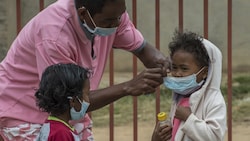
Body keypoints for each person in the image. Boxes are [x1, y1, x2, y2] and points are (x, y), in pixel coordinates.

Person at [0, 0, 170, 140]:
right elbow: (67, 99)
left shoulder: (112, 13)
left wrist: (167, 65)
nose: (117, 23)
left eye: (120, 16)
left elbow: (141, 48)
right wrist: (128, 87)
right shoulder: (54, 35)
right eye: (110, 21)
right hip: (25, 114)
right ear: (83, 13)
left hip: (69, 116)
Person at [151, 30, 227, 141]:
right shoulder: (180, 97)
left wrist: (189, 118)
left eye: (184, 68)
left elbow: (214, 136)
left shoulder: (214, 101)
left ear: (204, 72)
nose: (177, 74)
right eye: (174, 68)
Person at [35, 63, 90, 141]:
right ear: (73, 101)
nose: (88, 99)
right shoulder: (61, 133)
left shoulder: (55, 127)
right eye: (87, 93)